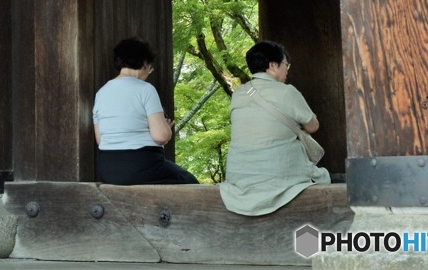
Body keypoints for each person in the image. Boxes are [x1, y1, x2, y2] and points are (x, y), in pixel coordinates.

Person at [220, 40, 330, 215]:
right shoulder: (287, 92)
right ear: (272, 65)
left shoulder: (239, 94)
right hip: (280, 176)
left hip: (239, 180)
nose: (287, 69)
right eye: (286, 64)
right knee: (324, 177)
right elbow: (313, 126)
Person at [92, 37, 198, 185]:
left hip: (108, 169)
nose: (149, 71)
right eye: (150, 67)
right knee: (190, 181)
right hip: (141, 165)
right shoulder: (145, 89)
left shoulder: (101, 93)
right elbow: (161, 136)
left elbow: (101, 140)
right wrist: (166, 128)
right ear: (144, 63)